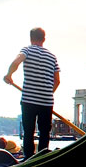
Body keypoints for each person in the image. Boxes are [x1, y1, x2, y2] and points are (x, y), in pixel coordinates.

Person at [4, 27, 60, 159]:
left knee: (28, 132)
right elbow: (57, 81)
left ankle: (28, 158)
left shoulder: (27, 50)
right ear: (44, 39)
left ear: (30, 38)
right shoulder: (52, 56)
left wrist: (9, 75)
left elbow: (16, 62)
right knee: (44, 132)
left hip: (29, 99)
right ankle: (43, 157)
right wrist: (47, 92)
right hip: (47, 100)